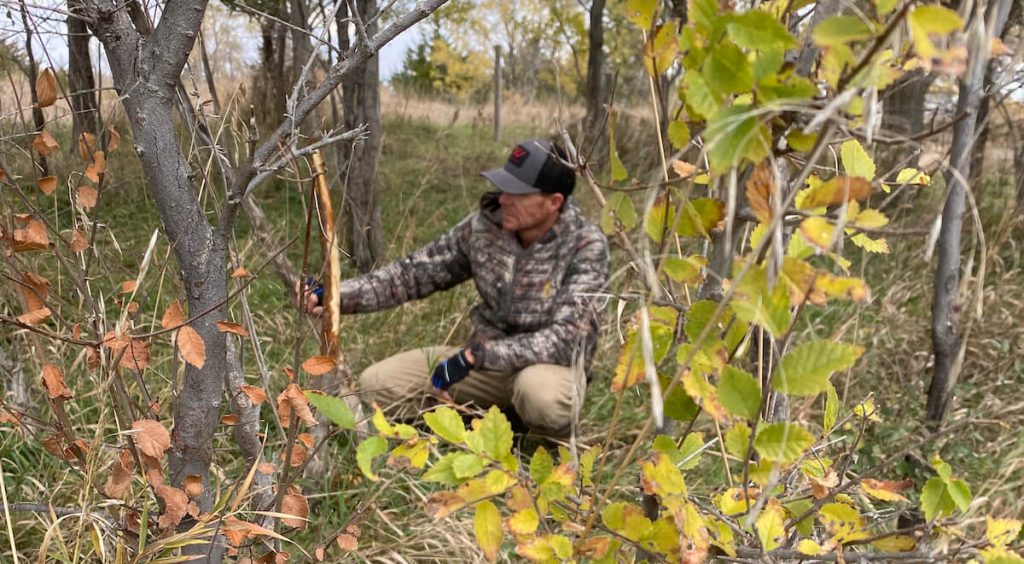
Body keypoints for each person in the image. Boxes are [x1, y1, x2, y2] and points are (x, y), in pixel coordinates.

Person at [301, 139, 610, 437]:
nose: (504, 199)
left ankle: (543, 442)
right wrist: (336, 296)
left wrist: (478, 355)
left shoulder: (585, 245)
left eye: (518, 193)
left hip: (545, 370)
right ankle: (483, 420)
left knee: (541, 398)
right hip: (479, 367)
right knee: (375, 384)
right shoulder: (485, 225)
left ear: (554, 202)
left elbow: (569, 340)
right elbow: (413, 274)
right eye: (504, 188)